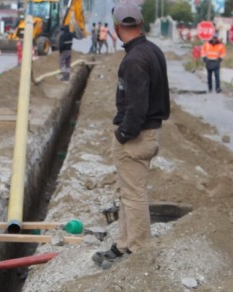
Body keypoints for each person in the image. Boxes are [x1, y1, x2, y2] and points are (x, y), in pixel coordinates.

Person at [93, 1, 170, 269]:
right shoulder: (152, 51)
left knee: (134, 195)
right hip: (148, 132)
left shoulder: (135, 60)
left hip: (137, 136)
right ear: (141, 24)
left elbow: (137, 107)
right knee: (129, 193)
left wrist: (123, 134)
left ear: (116, 28)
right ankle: (123, 244)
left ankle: (137, 250)